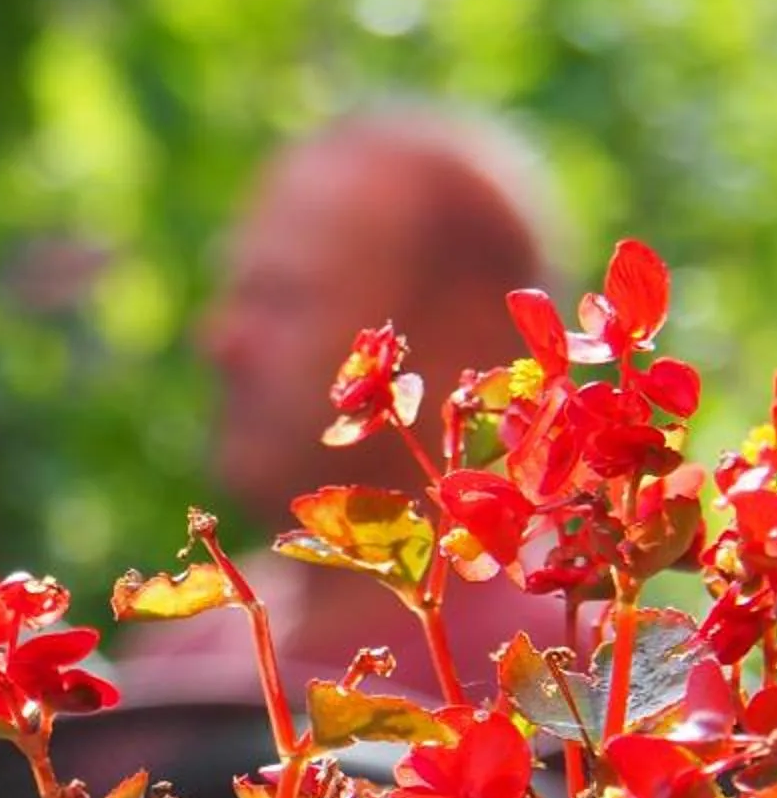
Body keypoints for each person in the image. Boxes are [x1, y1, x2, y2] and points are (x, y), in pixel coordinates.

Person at [116, 104, 568, 709]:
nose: (219, 340)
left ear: (463, 337)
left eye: (281, 299)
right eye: (237, 293)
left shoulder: (571, 689)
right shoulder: (175, 671)